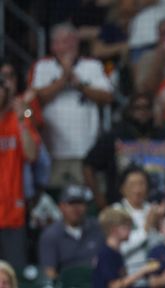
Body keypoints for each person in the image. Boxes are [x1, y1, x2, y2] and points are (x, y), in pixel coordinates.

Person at [30, 23, 113, 188]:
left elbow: (108, 97)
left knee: (85, 199)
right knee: (55, 200)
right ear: (53, 46)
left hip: (85, 150)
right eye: (64, 41)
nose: (70, 45)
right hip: (52, 150)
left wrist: (80, 85)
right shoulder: (42, 67)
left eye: (72, 40)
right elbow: (34, 101)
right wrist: (63, 80)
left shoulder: (92, 66)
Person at [83, 92, 165, 209]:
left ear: (152, 111)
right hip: (124, 209)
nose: (142, 112)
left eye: (146, 107)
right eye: (137, 108)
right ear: (129, 111)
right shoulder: (113, 137)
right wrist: (99, 198)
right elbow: (88, 166)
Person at [90, 207, 160, 288]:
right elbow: (115, 287)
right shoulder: (107, 254)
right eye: (126, 227)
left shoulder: (116, 253)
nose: (130, 231)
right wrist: (143, 271)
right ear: (114, 230)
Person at [0, 70, 38, 271]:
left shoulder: (18, 119)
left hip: (12, 214)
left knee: (14, 277)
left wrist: (24, 117)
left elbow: (32, 154)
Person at [38, 184, 105, 280]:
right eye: (71, 203)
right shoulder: (50, 235)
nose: (76, 208)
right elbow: (49, 272)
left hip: (97, 283)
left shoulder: (98, 228)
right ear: (61, 207)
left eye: (80, 203)